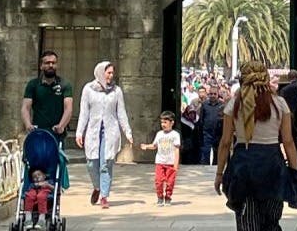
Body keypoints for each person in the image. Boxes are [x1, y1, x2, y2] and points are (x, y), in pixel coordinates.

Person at [214, 60, 297, 231]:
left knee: (248, 221)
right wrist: (294, 172)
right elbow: (288, 141)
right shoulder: (280, 103)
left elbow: (225, 142)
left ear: (242, 80)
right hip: (273, 165)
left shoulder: (234, 105)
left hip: (243, 166)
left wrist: (219, 173)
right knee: (271, 221)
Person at [75, 61, 133, 209]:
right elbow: (84, 113)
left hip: (110, 132)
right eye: (108, 73)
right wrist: (79, 132)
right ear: (101, 72)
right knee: (91, 163)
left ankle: (105, 196)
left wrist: (127, 131)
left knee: (106, 164)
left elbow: (121, 113)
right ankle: (97, 187)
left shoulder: (116, 91)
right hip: (93, 131)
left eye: (112, 73)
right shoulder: (88, 89)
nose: (111, 76)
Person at [22, 51, 74, 142]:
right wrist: (28, 125)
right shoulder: (33, 85)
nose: (51, 65)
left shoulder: (64, 85)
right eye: (47, 63)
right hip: (38, 132)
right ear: (41, 66)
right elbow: (25, 107)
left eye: (53, 63)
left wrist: (61, 126)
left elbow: (68, 108)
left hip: (57, 133)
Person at [141, 110, 181, 207]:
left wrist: (176, 165)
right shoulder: (159, 134)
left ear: (172, 123)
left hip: (170, 163)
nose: (163, 124)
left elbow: (176, 150)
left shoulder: (175, 135)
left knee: (170, 182)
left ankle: (168, 197)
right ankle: (159, 197)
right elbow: (155, 146)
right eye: (162, 122)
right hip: (160, 162)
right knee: (158, 181)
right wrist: (146, 146)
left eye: (165, 122)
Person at [198, 84, 225, 164]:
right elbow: (201, 119)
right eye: (211, 94)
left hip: (218, 133)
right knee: (206, 152)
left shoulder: (222, 105)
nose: (213, 96)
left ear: (218, 94)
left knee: (217, 153)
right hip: (207, 133)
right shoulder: (205, 105)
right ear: (208, 94)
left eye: (215, 94)